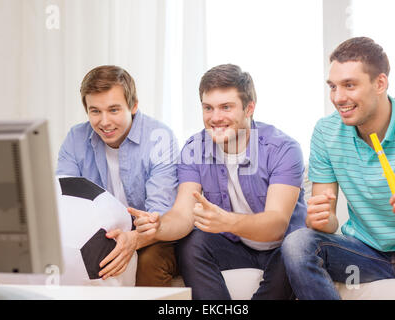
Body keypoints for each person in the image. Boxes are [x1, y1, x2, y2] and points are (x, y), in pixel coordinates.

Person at [131, 64, 307, 299]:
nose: (215, 118)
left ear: (249, 108)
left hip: (280, 247)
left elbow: (276, 225)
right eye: (208, 108)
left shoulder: (283, 149)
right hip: (233, 246)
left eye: (226, 107)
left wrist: (228, 222)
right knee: (192, 242)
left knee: (295, 249)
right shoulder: (194, 149)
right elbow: (183, 215)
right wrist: (159, 226)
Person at [281, 37, 395, 300]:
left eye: (349, 85)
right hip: (363, 254)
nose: (338, 98)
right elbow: (329, 222)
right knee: (298, 243)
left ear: (380, 83)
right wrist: (322, 219)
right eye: (333, 87)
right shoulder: (326, 132)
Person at [56, 65, 179, 285]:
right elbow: (64, 203)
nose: (104, 122)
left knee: (149, 261)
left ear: (133, 106)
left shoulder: (160, 137)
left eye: (114, 110)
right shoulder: (76, 138)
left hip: (150, 235)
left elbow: (158, 215)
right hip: (97, 233)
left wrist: (133, 240)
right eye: (95, 111)